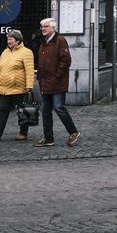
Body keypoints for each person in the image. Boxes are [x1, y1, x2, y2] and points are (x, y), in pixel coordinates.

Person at [34, 18, 81, 148]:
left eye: (45, 26)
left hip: (57, 83)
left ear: (52, 28)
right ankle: (48, 138)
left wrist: (57, 76)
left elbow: (66, 60)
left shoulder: (60, 40)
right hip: (45, 83)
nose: (43, 28)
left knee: (59, 107)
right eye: (42, 26)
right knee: (45, 111)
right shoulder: (43, 43)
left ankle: (73, 132)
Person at [0, 29, 35, 140]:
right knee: (3, 109)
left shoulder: (26, 52)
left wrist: (29, 85)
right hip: (5, 87)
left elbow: (30, 70)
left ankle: (23, 133)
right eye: (8, 39)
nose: (8, 41)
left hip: (19, 87)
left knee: (22, 111)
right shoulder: (5, 52)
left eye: (10, 39)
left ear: (17, 41)